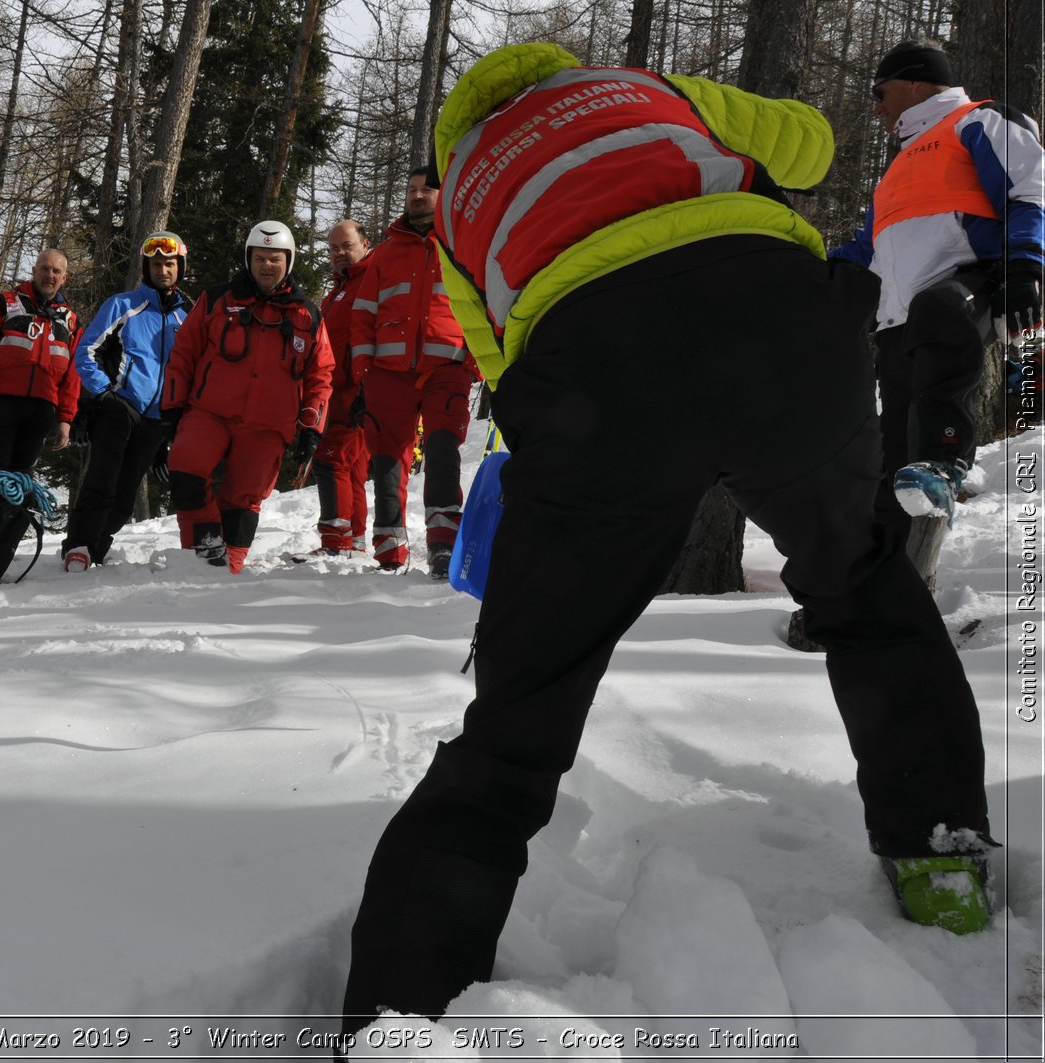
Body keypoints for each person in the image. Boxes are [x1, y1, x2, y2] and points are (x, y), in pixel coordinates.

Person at [340, 43, 997, 1037]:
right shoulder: (644, 92)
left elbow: (495, 355)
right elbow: (810, 144)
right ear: (556, 69)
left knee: (518, 716)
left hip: (592, 378)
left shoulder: (465, 189)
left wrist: (579, 497)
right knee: (864, 587)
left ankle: (395, 1013)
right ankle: (941, 858)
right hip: (774, 317)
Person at [832, 39, 1043, 528]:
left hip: (974, 281)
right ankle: (886, 580)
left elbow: (1029, 188)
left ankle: (944, 458)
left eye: (881, 92)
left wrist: (1024, 267)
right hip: (899, 312)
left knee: (939, 311)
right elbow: (867, 248)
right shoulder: (897, 167)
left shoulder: (978, 119)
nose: (878, 107)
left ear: (915, 82)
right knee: (894, 447)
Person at [161, 220, 333, 573]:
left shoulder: (308, 315)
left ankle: (231, 567)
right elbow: (184, 352)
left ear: (288, 262)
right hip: (209, 412)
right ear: (248, 259)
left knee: (244, 498)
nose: (266, 265)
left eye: (274, 259)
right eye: (259, 258)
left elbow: (321, 375)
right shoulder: (217, 299)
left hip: (269, 424)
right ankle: (205, 549)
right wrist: (173, 406)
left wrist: (311, 428)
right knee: (185, 468)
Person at [349, 168, 479, 578]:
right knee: (387, 459)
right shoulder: (385, 253)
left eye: (426, 189)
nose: (417, 195)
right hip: (389, 373)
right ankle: (390, 549)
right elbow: (364, 313)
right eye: (411, 190)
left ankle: (443, 545)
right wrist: (363, 367)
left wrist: (474, 362)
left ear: (445, 196)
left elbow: (483, 304)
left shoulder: (464, 245)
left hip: (447, 368)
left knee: (442, 452)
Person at [61, 231, 191, 571]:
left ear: (180, 269)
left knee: (125, 495)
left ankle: (98, 549)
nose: (163, 270)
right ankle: (78, 547)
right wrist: (105, 393)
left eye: (170, 265)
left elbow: (187, 375)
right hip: (120, 407)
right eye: (157, 264)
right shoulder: (124, 305)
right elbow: (86, 351)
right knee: (101, 480)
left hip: (155, 421)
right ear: (147, 268)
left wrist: (169, 432)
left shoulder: (184, 321)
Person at [0, 249, 82, 474]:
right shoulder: (6, 304)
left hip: (42, 410)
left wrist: (65, 419)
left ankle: (17, 509)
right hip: (3, 404)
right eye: (45, 269)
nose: (50, 275)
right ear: (34, 271)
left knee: (22, 480)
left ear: (64, 278)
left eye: (56, 271)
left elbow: (73, 378)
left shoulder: (71, 322)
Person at [312, 220, 372, 556]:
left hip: (358, 391)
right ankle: (353, 542)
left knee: (331, 461)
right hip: (334, 393)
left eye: (346, 246)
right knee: (352, 469)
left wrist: (366, 388)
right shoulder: (336, 291)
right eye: (333, 248)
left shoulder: (372, 282)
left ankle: (336, 543)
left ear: (365, 244)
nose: (339, 254)